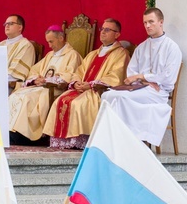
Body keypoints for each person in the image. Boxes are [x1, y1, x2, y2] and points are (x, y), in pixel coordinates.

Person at [43, 18, 130, 150]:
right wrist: (77, 83)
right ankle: (64, 142)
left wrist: (90, 85)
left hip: (98, 91)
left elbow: (116, 76)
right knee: (60, 100)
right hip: (82, 89)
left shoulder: (121, 54)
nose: (103, 32)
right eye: (102, 29)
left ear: (117, 34)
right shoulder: (93, 54)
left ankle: (80, 141)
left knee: (78, 104)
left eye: (107, 30)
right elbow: (80, 71)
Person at [101, 7, 182, 147]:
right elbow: (130, 74)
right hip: (140, 89)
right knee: (107, 96)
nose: (147, 26)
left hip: (158, 92)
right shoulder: (141, 47)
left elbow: (167, 78)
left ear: (161, 22)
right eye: (145, 23)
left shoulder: (172, 48)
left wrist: (142, 77)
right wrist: (146, 80)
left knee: (121, 98)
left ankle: (127, 141)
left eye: (151, 22)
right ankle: (114, 140)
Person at [9, 25, 82, 145]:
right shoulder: (49, 55)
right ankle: (11, 131)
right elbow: (34, 70)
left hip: (55, 89)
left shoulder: (72, 55)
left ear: (61, 38)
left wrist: (49, 80)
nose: (49, 45)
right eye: (48, 42)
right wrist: (36, 79)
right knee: (16, 95)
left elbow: (71, 75)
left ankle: (26, 135)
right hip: (42, 87)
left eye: (51, 41)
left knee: (27, 98)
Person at [0, 14, 35, 85]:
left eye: (11, 23)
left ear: (20, 27)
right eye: (6, 24)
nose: (7, 26)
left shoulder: (26, 45)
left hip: (8, 86)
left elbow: (14, 76)